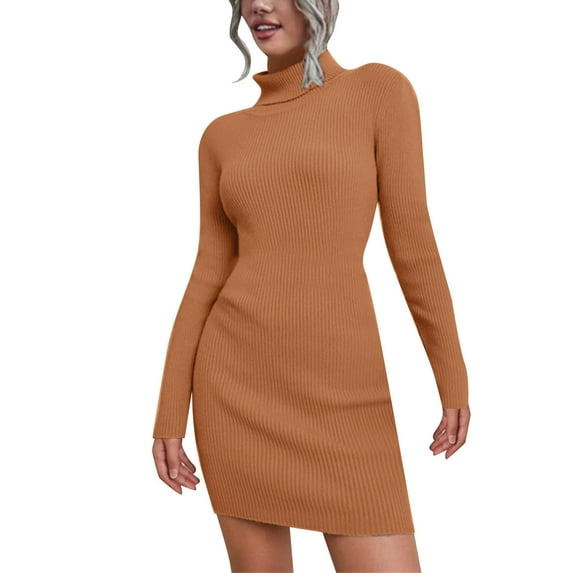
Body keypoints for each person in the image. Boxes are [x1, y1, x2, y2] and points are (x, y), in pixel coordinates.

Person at [152, 0, 471, 571]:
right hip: (236, 389)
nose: (259, 5)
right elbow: (208, 272)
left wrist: (452, 377)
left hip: (347, 390)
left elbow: (413, 244)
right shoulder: (222, 136)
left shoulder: (378, 91)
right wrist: (169, 412)